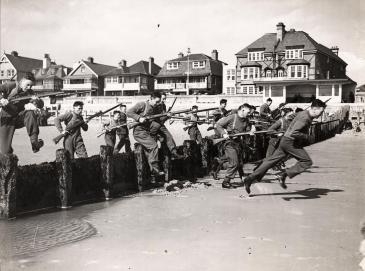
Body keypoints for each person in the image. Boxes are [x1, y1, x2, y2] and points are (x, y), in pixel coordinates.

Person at [244, 99, 327, 194]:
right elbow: (294, 132)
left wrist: (290, 123)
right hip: (290, 142)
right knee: (307, 161)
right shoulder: (305, 118)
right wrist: (307, 136)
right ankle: (283, 175)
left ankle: (250, 178)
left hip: (284, 140)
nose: (321, 114)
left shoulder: (303, 113)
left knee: (271, 161)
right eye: (321, 112)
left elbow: (290, 117)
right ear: (314, 109)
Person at [0, 73, 44, 154]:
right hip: (7, 120)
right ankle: (9, 153)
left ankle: (34, 142)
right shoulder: (11, 85)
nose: (29, 87)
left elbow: (41, 104)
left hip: (19, 118)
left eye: (31, 86)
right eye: (27, 85)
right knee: (4, 151)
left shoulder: (30, 92)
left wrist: (37, 100)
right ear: (22, 81)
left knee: (30, 113)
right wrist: (2, 99)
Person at [215, 103, 253, 188]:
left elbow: (247, 131)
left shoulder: (246, 120)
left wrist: (250, 132)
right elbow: (218, 125)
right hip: (229, 143)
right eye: (248, 112)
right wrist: (224, 133)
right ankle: (226, 182)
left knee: (239, 162)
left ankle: (241, 177)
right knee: (234, 162)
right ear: (242, 110)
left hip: (238, 144)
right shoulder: (232, 117)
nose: (249, 114)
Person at [127, 92, 164, 176]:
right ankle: (155, 169)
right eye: (156, 101)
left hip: (147, 132)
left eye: (159, 102)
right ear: (151, 99)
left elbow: (159, 119)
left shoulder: (155, 108)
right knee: (154, 146)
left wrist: (167, 115)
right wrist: (139, 118)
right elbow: (129, 112)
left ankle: (151, 172)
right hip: (139, 132)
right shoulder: (142, 105)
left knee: (149, 151)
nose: (157, 104)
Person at [149, 93, 183, 159]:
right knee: (153, 143)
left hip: (160, 125)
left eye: (165, 99)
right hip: (153, 125)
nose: (164, 100)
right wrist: (167, 116)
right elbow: (158, 118)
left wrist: (167, 116)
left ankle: (174, 152)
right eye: (163, 99)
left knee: (168, 137)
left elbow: (163, 118)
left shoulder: (163, 105)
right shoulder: (154, 106)